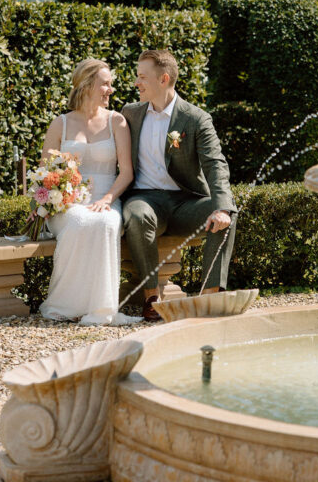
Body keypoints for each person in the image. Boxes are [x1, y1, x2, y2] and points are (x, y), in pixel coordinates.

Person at [122, 49, 237, 322]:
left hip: (186, 202)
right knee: (137, 216)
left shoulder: (195, 118)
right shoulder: (130, 114)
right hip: (145, 200)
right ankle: (152, 298)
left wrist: (221, 208)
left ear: (163, 79)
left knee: (227, 211)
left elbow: (215, 165)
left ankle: (210, 295)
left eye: (142, 77)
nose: (136, 83)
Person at [39, 58, 140, 324]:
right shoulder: (60, 124)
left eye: (111, 84)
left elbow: (126, 172)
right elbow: (45, 173)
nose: (111, 90)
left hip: (107, 197)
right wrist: (40, 207)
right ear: (86, 85)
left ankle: (101, 309)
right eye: (105, 84)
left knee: (106, 222)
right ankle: (66, 305)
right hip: (67, 203)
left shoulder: (116, 122)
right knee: (79, 220)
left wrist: (107, 199)